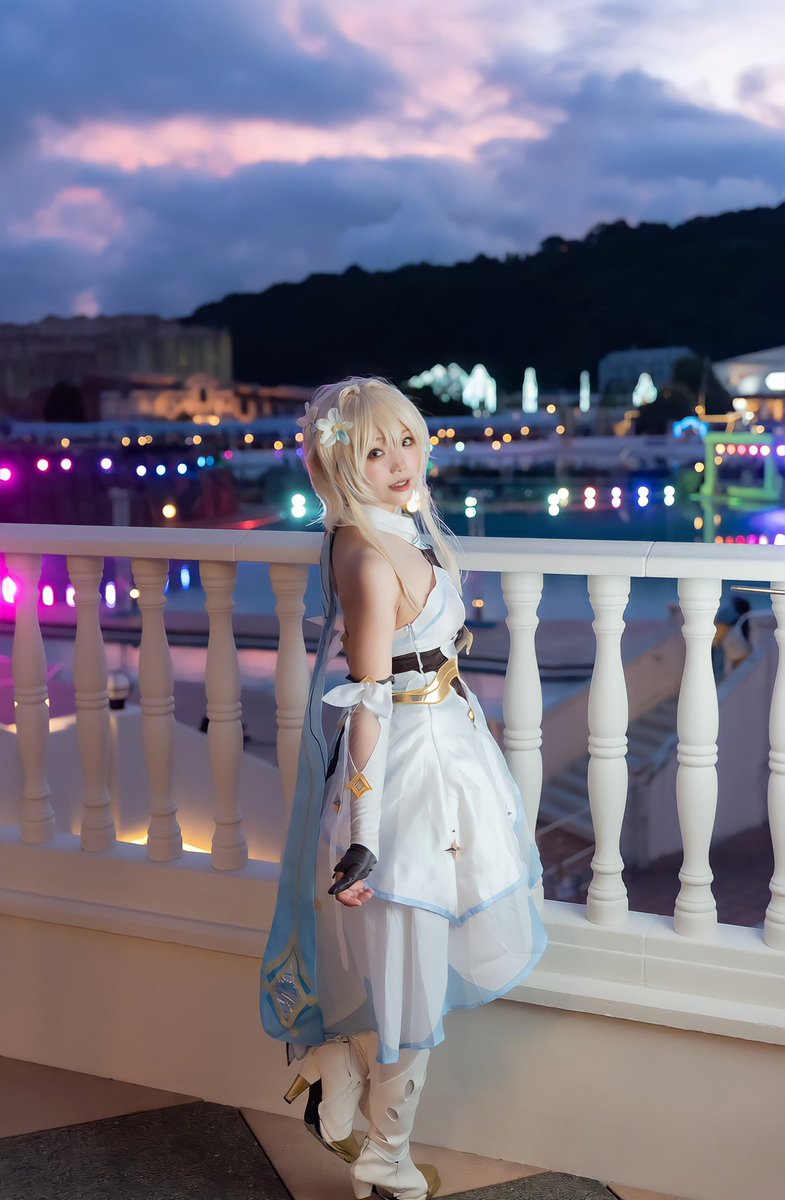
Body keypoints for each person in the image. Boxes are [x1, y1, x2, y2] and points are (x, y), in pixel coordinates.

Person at [261, 378, 547, 1200]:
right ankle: (383, 1151)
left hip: (442, 756)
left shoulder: (391, 530)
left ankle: (342, 1079)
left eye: (407, 442)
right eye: (374, 451)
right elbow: (369, 703)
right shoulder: (365, 554)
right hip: (408, 778)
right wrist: (365, 837)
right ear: (338, 463)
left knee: (411, 971)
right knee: (408, 979)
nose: (398, 463)